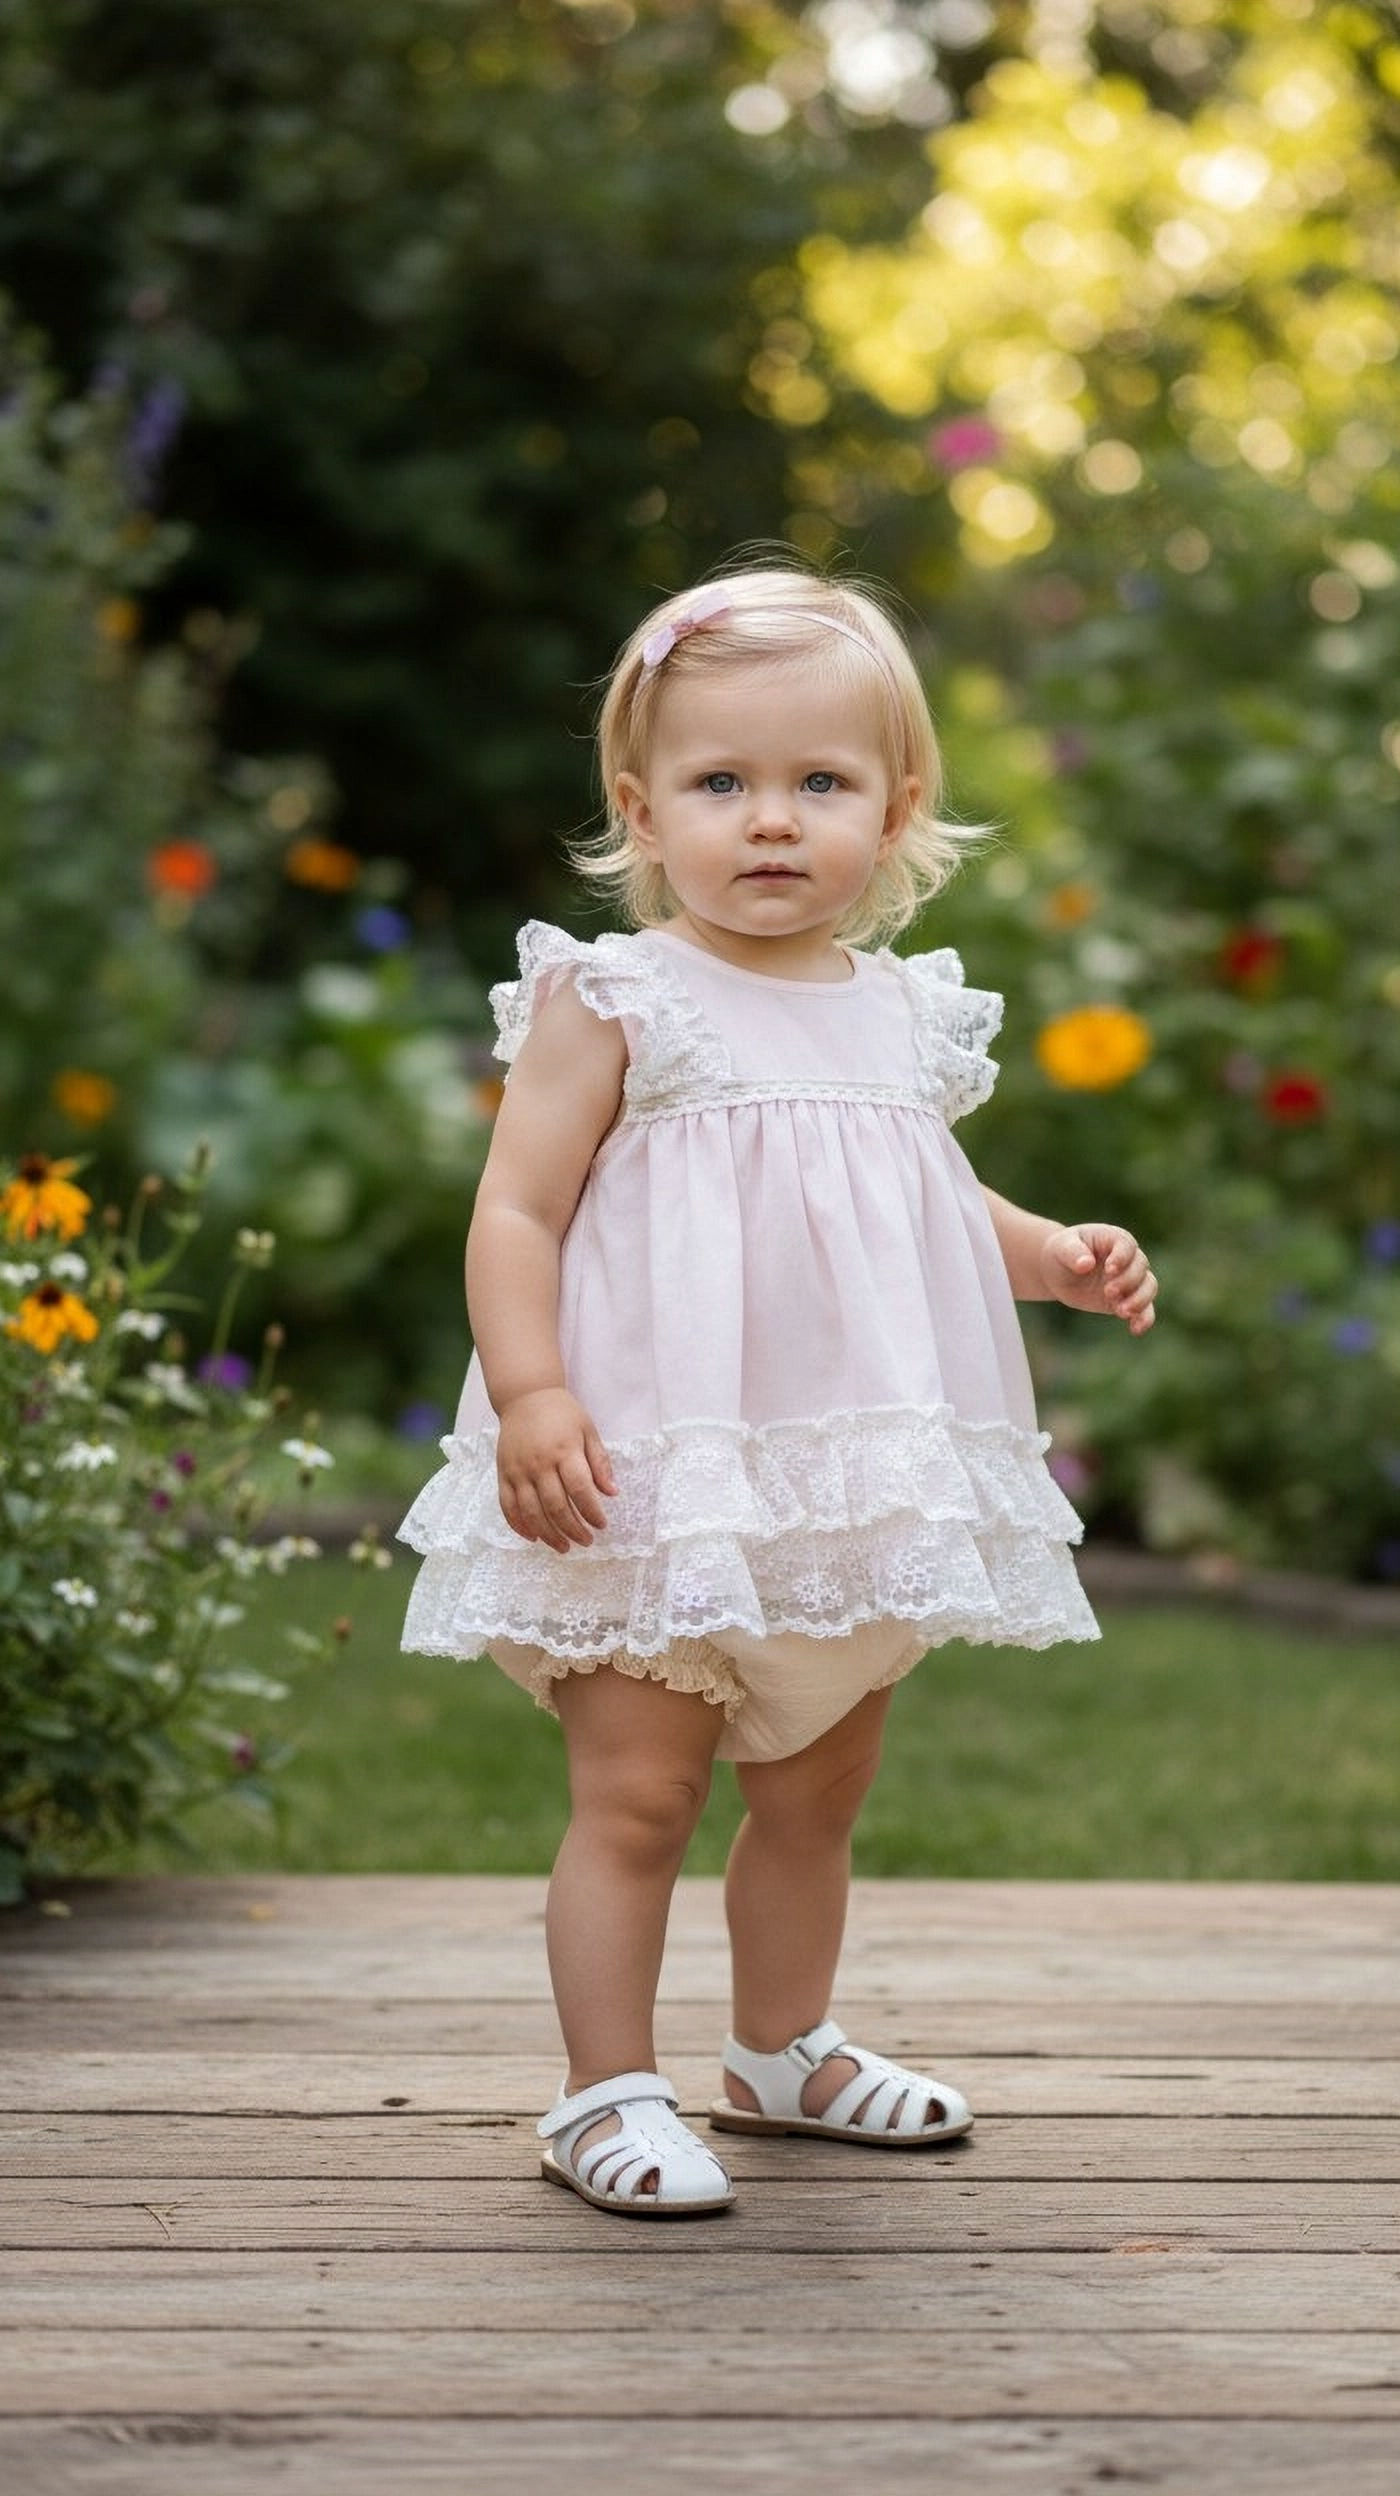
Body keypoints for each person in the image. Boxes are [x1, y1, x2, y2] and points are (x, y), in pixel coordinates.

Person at [397, 564, 1157, 2220]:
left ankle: (783, 2049)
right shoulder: (615, 998)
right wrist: (530, 1394)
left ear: (894, 814)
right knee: (642, 1792)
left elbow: (928, 1209)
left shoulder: (900, 1015)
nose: (769, 821)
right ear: (641, 808)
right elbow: (516, 1209)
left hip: (838, 1484)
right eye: (719, 783)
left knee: (819, 1783)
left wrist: (1056, 1252)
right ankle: (603, 2090)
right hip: (656, 1474)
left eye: (819, 783)